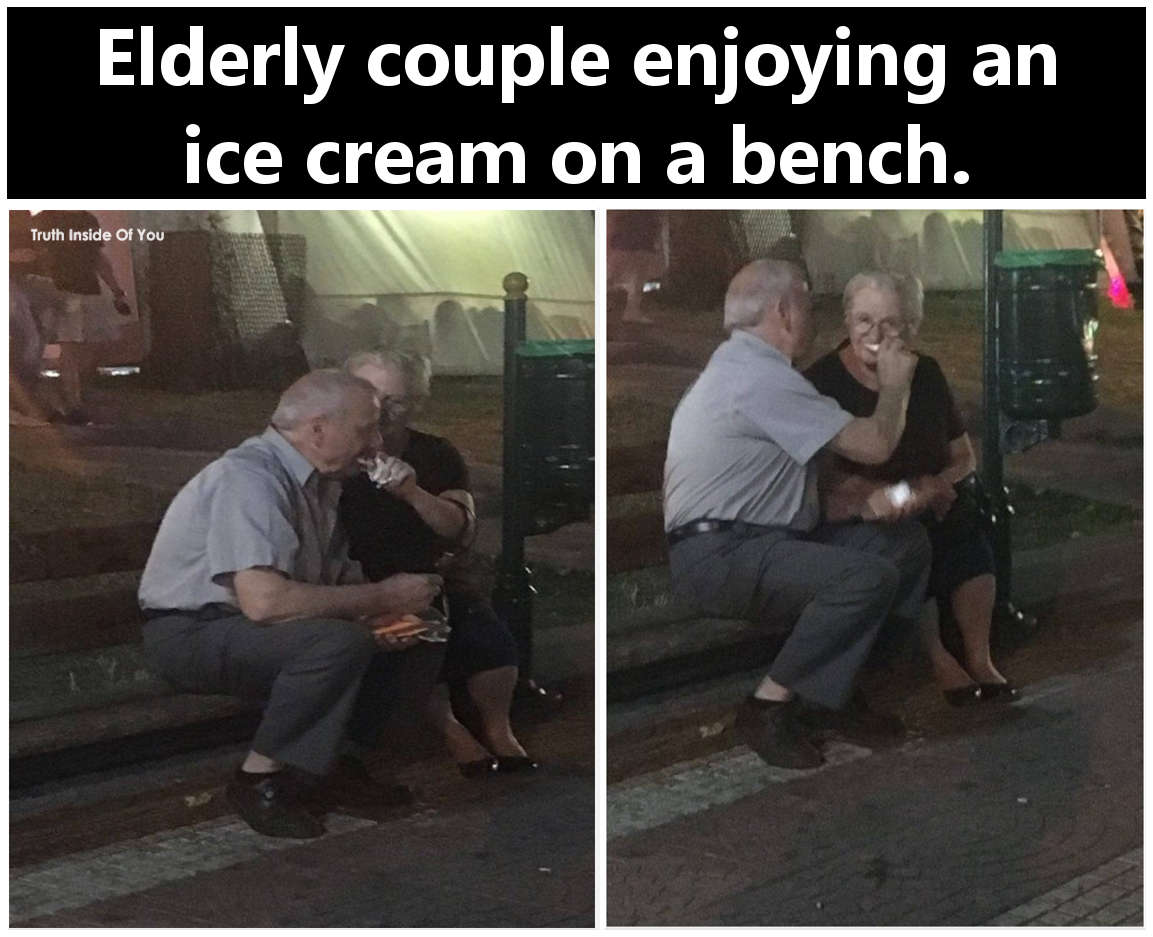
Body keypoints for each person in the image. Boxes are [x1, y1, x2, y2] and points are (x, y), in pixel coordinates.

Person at [138, 370, 445, 839]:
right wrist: (382, 597)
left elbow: (332, 581)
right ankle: (258, 778)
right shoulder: (249, 478)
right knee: (335, 643)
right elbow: (263, 603)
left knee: (415, 633)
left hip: (247, 628)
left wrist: (391, 614)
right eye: (366, 428)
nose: (378, 441)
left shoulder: (319, 485)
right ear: (318, 429)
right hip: (192, 631)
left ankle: (325, 766)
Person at [663, 259, 931, 770]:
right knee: (863, 577)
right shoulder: (756, 377)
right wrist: (896, 384)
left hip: (754, 542)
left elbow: (780, 489)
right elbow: (874, 445)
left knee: (905, 546)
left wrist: (867, 503)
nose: (815, 317)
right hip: (722, 556)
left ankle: (833, 694)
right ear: (785, 311)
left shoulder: (749, 370)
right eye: (809, 303)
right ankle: (767, 706)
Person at [805, 271, 1016, 706]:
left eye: (891, 324)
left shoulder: (928, 374)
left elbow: (964, 457)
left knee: (965, 530)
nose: (876, 334)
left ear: (911, 327)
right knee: (904, 541)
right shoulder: (822, 383)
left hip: (929, 502)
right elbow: (826, 481)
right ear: (846, 320)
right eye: (864, 320)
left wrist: (935, 485)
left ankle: (980, 657)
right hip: (868, 516)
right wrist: (904, 495)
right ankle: (938, 658)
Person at [340, 350, 536, 778]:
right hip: (361, 586)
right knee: (417, 634)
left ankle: (498, 730)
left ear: (417, 403)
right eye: (371, 396)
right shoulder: (335, 457)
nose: (382, 410)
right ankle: (451, 730)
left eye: (397, 400)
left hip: (432, 576)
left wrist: (412, 493)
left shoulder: (434, 454)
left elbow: (460, 529)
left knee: (488, 639)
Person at [31, 209, 132, 424]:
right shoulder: (49, 219)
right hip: (63, 292)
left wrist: (116, 290)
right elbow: (41, 255)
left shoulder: (82, 219)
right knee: (70, 350)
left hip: (81, 291)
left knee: (80, 349)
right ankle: (72, 404)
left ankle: (70, 400)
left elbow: (97, 256)